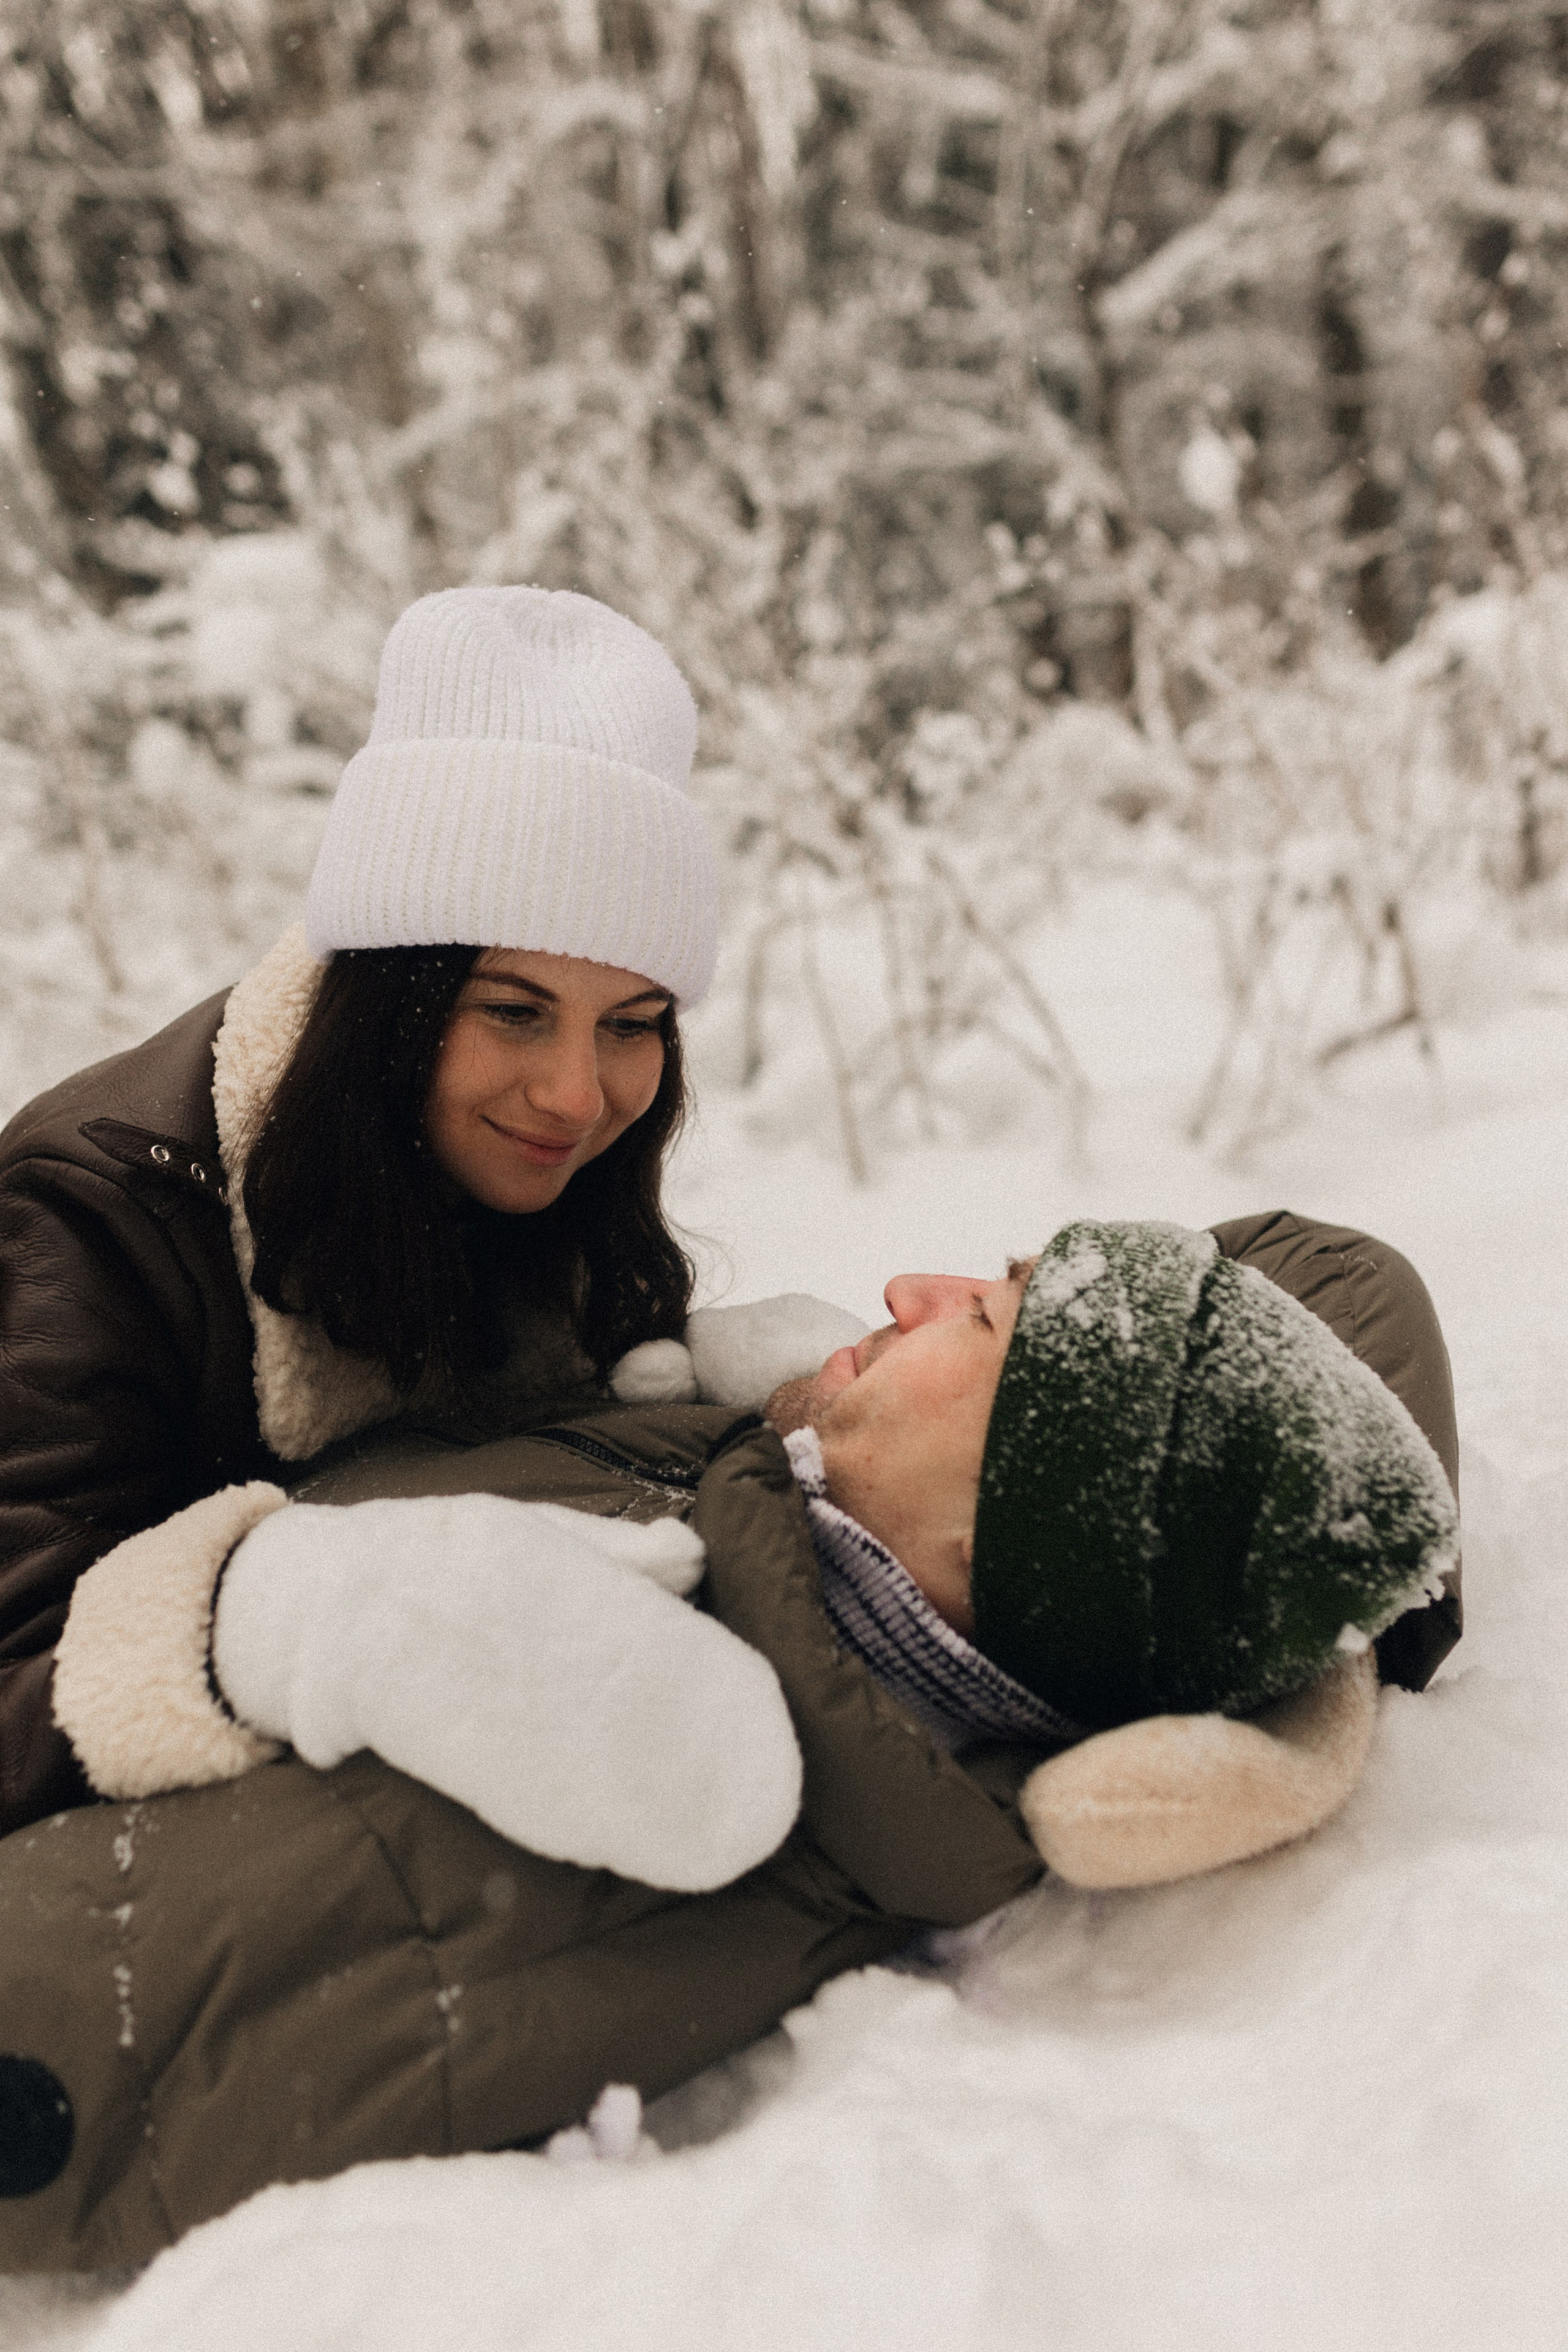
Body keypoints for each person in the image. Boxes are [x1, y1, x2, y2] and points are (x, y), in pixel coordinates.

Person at [0, 1211, 1458, 2269]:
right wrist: (1318, 1667)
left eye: (976, 1318)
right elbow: (1330, 1268)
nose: (905, 1281)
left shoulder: (637, 1774)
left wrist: (265, 1610)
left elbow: (68, 2028)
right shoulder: (819, 1534)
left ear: (1003, 1523)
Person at [0, 585, 853, 1842]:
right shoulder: (98, 1219)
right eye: (512, 1009)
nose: (576, 1094)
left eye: (632, 1026)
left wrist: (702, 1396)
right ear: (391, 1004)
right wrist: (294, 1625)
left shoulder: (510, 1152)